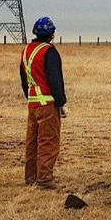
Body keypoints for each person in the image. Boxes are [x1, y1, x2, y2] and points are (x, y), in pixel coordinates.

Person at [19, 16, 68, 189]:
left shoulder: (27, 51)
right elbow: (55, 80)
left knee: (32, 142)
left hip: (33, 104)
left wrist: (31, 97)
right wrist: (62, 102)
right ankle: (45, 180)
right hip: (47, 104)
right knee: (48, 141)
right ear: (52, 34)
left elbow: (24, 80)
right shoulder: (49, 52)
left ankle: (31, 177)